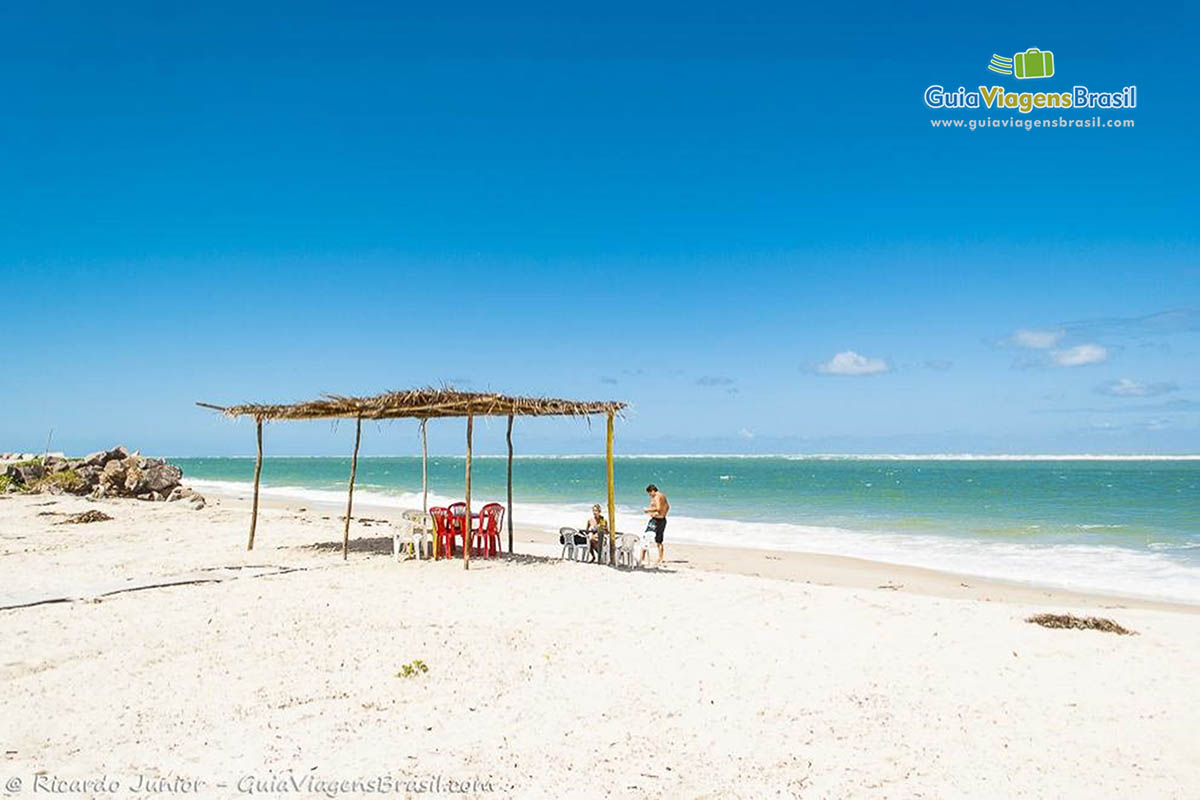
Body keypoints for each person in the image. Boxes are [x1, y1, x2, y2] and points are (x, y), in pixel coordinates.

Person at [641, 483, 669, 566]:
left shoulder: (656, 496)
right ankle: (660, 558)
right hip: (662, 520)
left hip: (655, 520)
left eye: (650, 494)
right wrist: (663, 514)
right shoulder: (663, 496)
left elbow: (658, 508)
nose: (650, 496)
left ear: (652, 491)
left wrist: (648, 510)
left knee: (646, 537)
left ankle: (642, 557)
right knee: (659, 540)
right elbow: (667, 506)